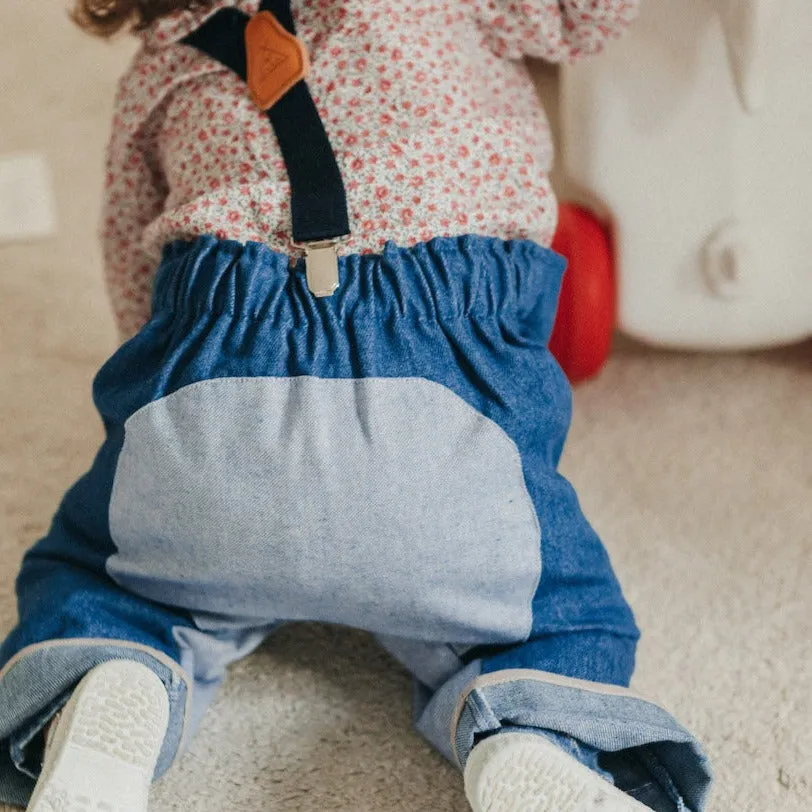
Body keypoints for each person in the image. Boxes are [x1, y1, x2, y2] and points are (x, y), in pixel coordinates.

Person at [0, 1, 713, 810]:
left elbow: (136, 287)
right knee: (560, 616)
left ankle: (112, 678)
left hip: (213, 383)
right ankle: (529, 735)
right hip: (448, 392)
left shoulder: (162, 61)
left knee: (102, 577)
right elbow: (595, 17)